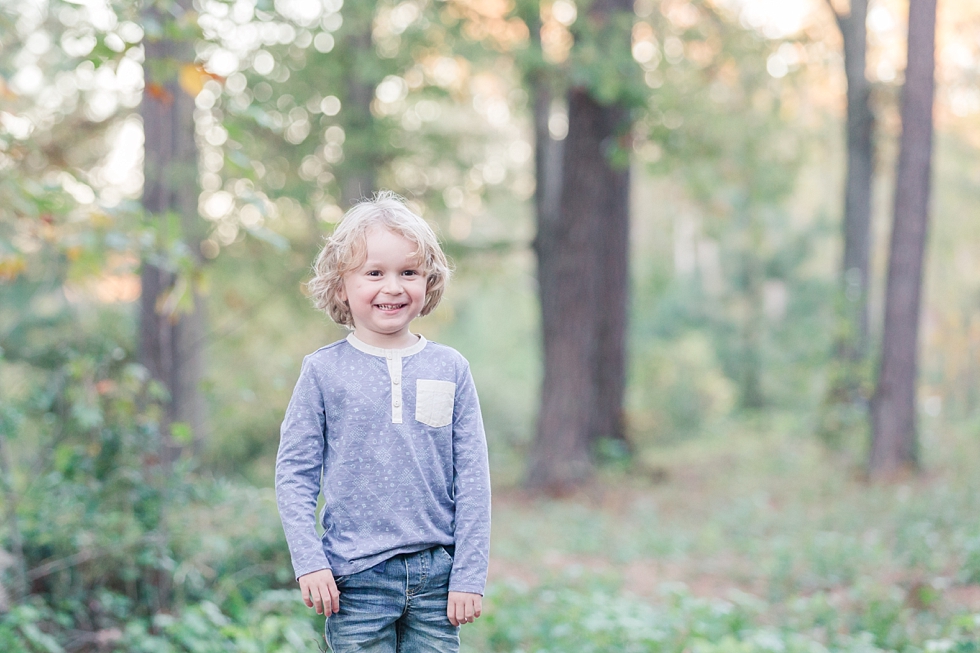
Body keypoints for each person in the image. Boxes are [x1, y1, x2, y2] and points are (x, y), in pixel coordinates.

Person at [275, 191, 491, 653]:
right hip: (354, 579)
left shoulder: (450, 367)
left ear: (428, 282)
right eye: (374, 272)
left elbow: (473, 479)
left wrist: (469, 574)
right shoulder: (322, 372)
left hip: (438, 579)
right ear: (341, 285)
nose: (392, 287)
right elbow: (295, 476)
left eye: (408, 272)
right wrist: (309, 561)